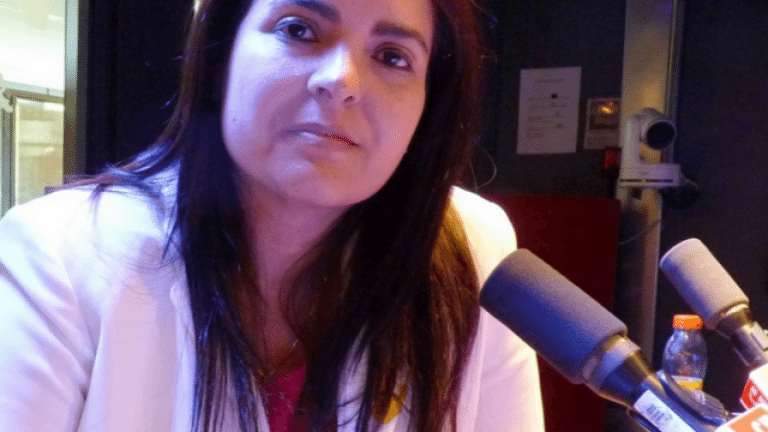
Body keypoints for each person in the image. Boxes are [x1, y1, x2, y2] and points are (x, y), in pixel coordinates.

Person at [0, 0, 545, 430]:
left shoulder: (473, 249)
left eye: (392, 56)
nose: (341, 80)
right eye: (299, 30)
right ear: (221, 54)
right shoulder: (57, 256)